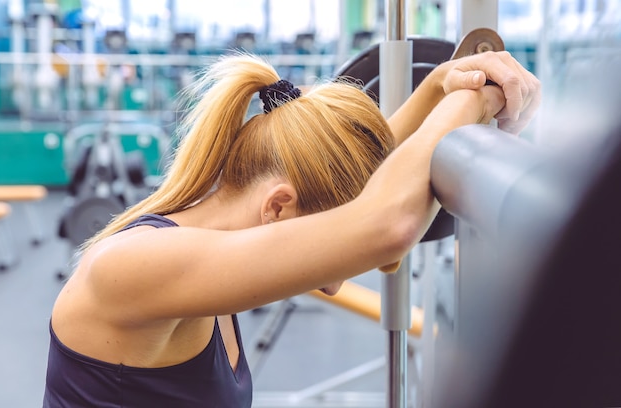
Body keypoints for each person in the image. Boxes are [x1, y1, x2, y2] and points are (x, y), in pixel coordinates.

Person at [43, 50, 540, 407]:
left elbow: (358, 176)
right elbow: (384, 224)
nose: (332, 282)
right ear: (278, 207)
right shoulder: (134, 265)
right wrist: (470, 100)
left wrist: (438, 84)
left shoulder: (204, 249)